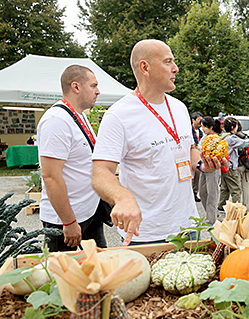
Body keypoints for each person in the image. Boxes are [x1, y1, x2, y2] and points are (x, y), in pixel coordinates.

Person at [91, 39, 226, 246]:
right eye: (168, 62)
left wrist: (202, 163)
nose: (176, 68)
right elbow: (100, 174)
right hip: (145, 234)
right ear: (145, 67)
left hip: (189, 227)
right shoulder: (118, 115)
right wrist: (122, 197)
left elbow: (188, 149)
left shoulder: (179, 107)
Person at [37, 65, 106, 252]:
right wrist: (69, 222)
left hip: (88, 212)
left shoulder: (79, 116)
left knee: (98, 269)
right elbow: (51, 177)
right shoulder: (56, 121)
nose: (98, 91)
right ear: (76, 87)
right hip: (66, 220)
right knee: (64, 276)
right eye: (93, 86)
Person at [199, 116, 223, 224]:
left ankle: (211, 219)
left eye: (205, 127)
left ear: (211, 127)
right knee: (202, 192)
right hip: (203, 168)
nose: (203, 129)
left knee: (212, 194)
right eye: (202, 126)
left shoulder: (215, 138)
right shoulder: (204, 137)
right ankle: (212, 214)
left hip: (213, 168)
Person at [235, 120, 249, 206]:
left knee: (237, 187)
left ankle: (238, 205)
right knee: (245, 185)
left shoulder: (235, 137)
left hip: (240, 164)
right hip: (248, 163)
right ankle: (245, 204)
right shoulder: (246, 136)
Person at [191, 111, 204, 202]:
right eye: (199, 120)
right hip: (191, 157)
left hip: (199, 156)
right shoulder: (189, 130)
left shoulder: (200, 132)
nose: (200, 122)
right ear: (193, 120)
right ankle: (190, 194)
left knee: (197, 177)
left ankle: (195, 193)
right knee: (191, 176)